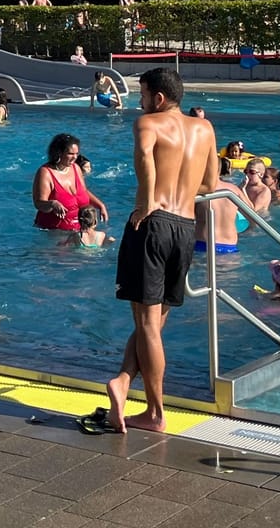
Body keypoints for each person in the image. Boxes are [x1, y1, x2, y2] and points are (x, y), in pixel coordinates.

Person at [90, 68, 212, 436]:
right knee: (156, 322)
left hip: (153, 224)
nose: (140, 102)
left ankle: (156, 412)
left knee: (146, 322)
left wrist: (146, 202)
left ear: (158, 98)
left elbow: (144, 159)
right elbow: (209, 181)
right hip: (186, 228)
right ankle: (124, 381)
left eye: (143, 95)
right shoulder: (204, 129)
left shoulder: (149, 124)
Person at [32, 132, 107, 231]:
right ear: (58, 153)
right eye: (70, 154)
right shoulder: (45, 173)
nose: (75, 157)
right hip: (53, 232)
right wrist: (52, 204)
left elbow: (83, 192)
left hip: (79, 229)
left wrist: (100, 205)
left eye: (77, 154)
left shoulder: (76, 168)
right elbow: (39, 204)